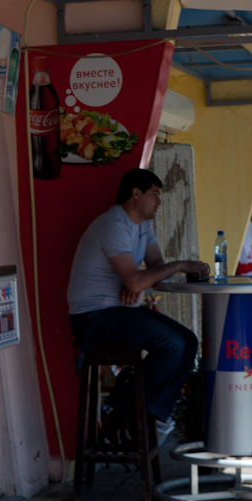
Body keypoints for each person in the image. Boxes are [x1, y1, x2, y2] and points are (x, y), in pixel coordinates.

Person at [67, 168, 208, 423]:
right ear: (136, 193)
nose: (159, 201)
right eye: (155, 194)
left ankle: (139, 410)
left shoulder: (142, 226)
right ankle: (130, 409)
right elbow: (143, 277)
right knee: (170, 345)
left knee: (188, 341)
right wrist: (176, 266)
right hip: (92, 315)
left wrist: (137, 282)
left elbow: (153, 268)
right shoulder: (114, 225)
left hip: (117, 309)